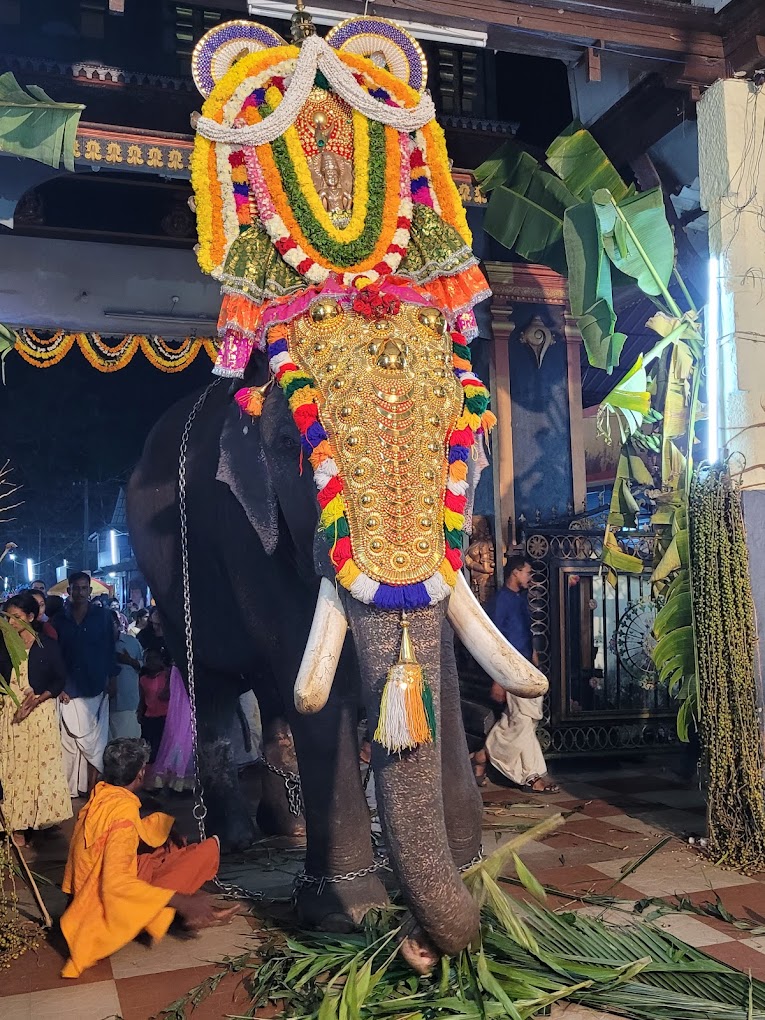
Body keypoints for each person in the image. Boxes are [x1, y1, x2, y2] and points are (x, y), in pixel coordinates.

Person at [60, 737, 238, 979]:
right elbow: (116, 884)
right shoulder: (122, 813)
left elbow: (116, 838)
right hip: (99, 909)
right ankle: (154, 916)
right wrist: (181, 902)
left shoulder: (101, 796)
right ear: (141, 773)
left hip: (81, 896)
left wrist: (164, 828)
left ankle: (161, 907)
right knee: (204, 852)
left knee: (169, 849)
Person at [472, 555, 559, 794]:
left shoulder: (520, 599)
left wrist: (533, 657)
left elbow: (524, 631)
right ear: (515, 572)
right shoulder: (501, 601)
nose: (530, 578)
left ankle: (531, 775)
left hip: (525, 667)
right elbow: (493, 641)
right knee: (522, 720)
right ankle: (484, 756)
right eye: (527, 573)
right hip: (509, 670)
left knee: (524, 721)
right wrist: (498, 679)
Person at [0, 592, 72, 846]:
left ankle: (39, 820)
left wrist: (38, 699)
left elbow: (59, 678)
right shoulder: (4, 645)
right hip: (11, 714)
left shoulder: (46, 645)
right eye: (7, 617)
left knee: (39, 768)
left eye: (16, 617)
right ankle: (15, 825)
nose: (10, 623)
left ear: (31, 617)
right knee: (13, 769)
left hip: (39, 716)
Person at [53, 571, 118, 798]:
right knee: (69, 744)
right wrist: (57, 686)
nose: (79, 592)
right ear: (68, 590)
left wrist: (113, 679)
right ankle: (68, 791)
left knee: (96, 744)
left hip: (95, 686)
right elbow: (55, 655)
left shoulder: (102, 617)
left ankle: (92, 790)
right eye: (75, 588)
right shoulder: (59, 619)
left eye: (83, 588)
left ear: (90, 591)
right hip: (68, 689)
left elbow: (110, 650)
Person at [149, 664, 194, 791]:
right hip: (182, 700)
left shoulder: (179, 665)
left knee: (183, 734)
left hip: (186, 700)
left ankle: (177, 778)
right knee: (181, 734)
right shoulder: (181, 666)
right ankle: (175, 777)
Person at [109, 610, 142, 740]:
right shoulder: (97, 645)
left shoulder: (131, 642)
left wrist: (129, 661)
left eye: (111, 623)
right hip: (106, 704)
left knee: (130, 743)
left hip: (128, 702)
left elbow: (144, 664)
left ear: (117, 624)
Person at [138, 648, 170, 762]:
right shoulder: (143, 679)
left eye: (155, 658)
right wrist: (140, 713)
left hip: (164, 717)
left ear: (161, 660)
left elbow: (168, 695)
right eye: (148, 659)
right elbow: (142, 699)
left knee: (163, 748)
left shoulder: (167, 675)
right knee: (149, 749)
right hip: (149, 717)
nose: (152, 662)